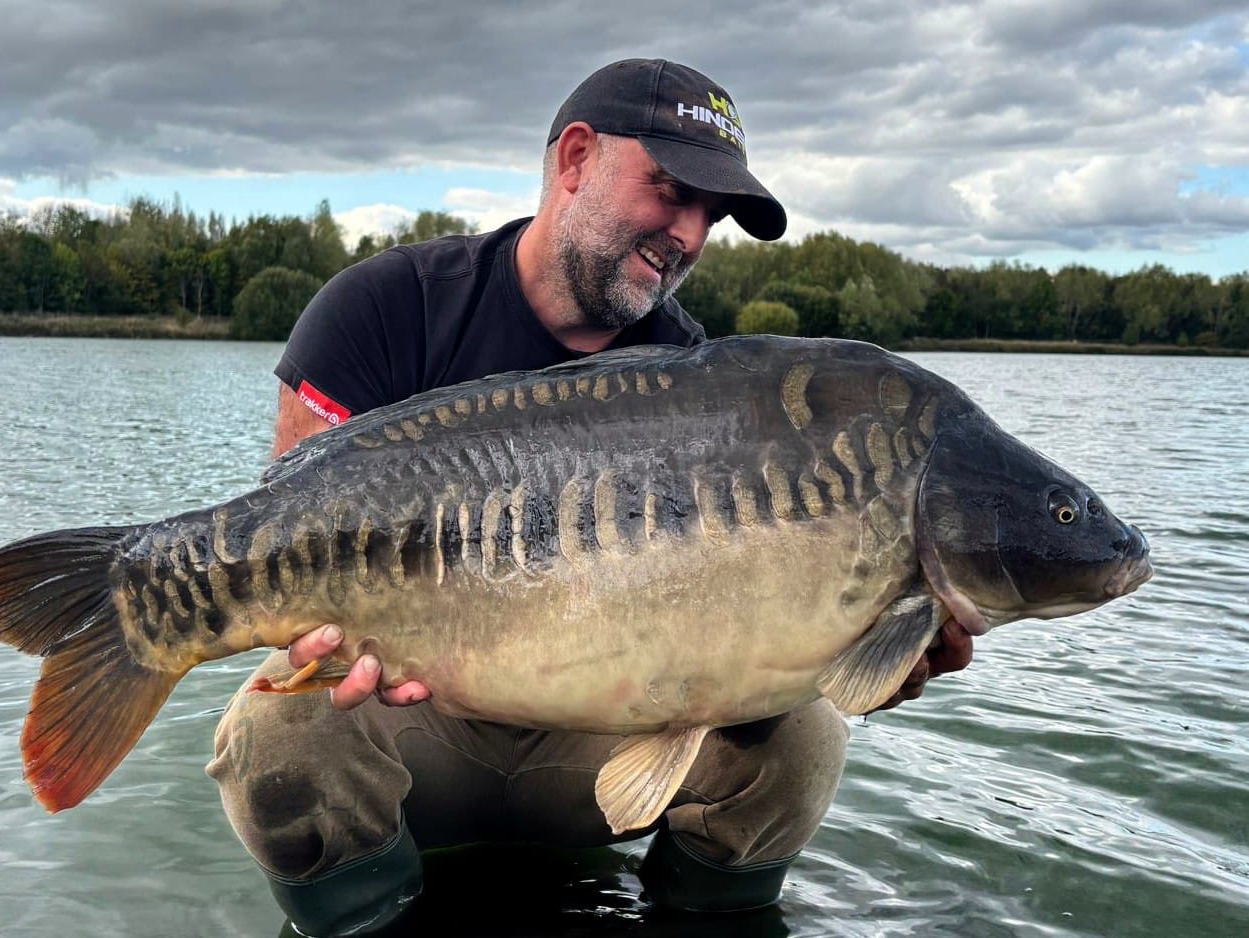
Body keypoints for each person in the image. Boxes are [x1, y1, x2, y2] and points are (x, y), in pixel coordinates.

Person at [207, 58, 974, 937]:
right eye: (670, 190)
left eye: (708, 215)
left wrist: (871, 651)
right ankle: (360, 919)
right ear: (574, 159)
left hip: (599, 746)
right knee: (279, 731)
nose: (686, 232)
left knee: (800, 741)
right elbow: (284, 538)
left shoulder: (707, 391)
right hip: (410, 733)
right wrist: (327, 634)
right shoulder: (385, 308)